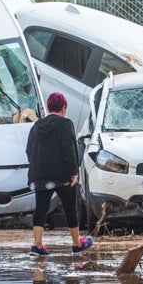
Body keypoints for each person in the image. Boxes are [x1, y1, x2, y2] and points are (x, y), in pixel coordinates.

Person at [26, 91, 93, 256]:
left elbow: (29, 150)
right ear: (64, 107)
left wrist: (37, 167)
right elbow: (69, 149)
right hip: (62, 176)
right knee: (70, 208)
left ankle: (38, 245)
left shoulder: (36, 126)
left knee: (40, 210)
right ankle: (77, 244)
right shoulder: (66, 124)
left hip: (40, 175)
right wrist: (73, 172)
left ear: (49, 108)